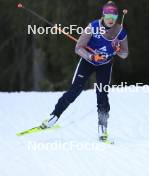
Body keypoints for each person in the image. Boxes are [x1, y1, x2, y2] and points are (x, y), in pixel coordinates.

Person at [40, 1, 129, 142]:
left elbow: (125, 54)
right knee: (74, 91)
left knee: (102, 94)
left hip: (105, 65)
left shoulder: (120, 32)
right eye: (108, 16)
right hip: (87, 62)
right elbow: (78, 47)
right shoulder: (92, 27)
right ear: (103, 15)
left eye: (114, 16)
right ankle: (54, 116)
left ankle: (102, 128)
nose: (111, 19)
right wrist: (91, 56)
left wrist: (118, 49)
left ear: (117, 17)